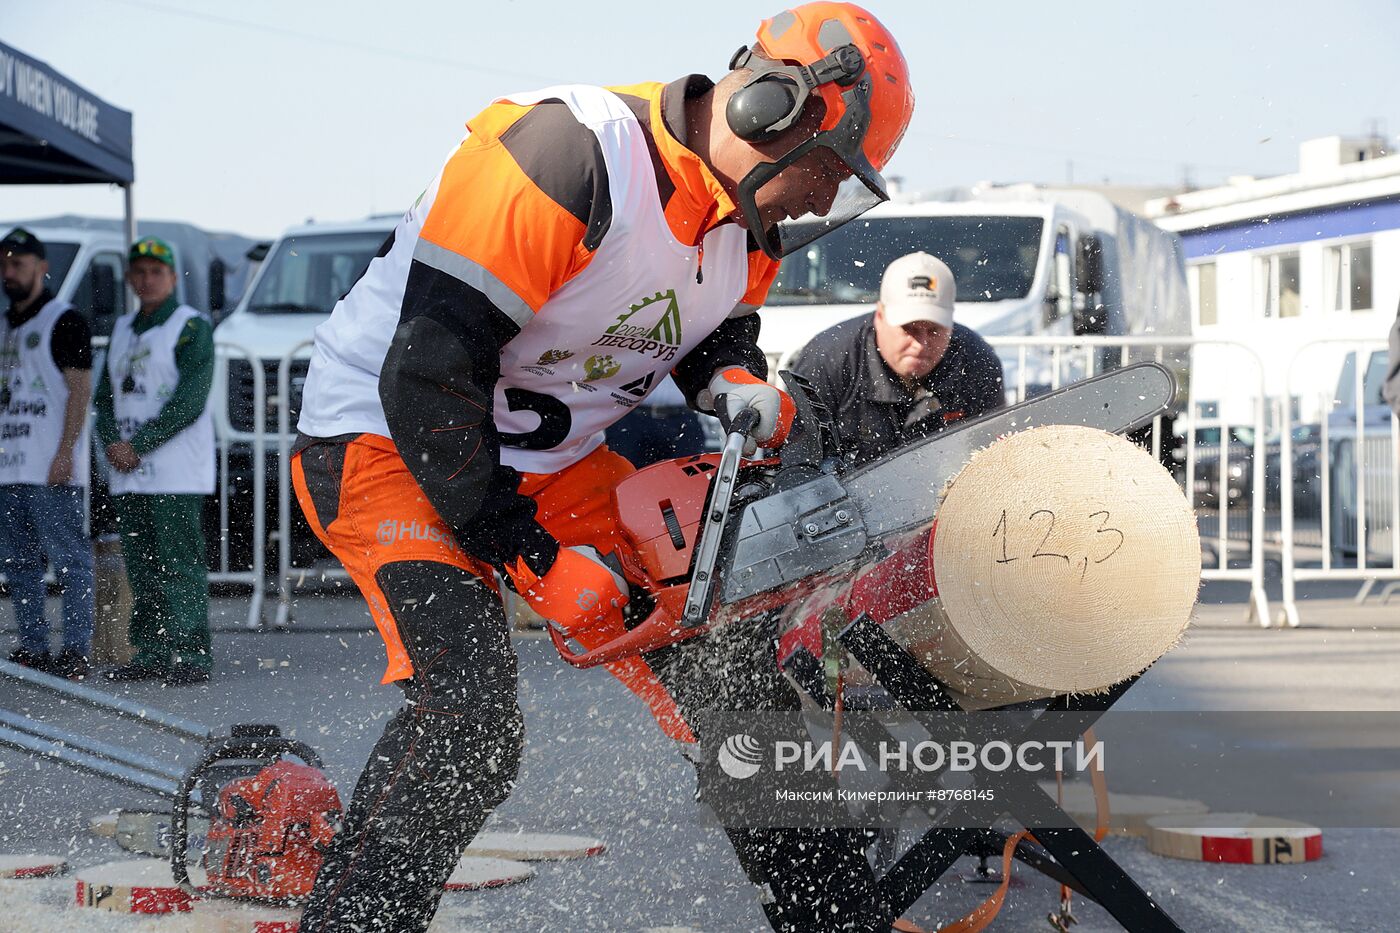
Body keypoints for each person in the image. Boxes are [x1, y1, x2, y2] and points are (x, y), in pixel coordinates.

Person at [289, 4, 914, 930]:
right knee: (470, 724)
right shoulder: (566, 152)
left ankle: (836, 918)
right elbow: (424, 368)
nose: (824, 201)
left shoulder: (750, 217)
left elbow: (717, 319)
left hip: (552, 455)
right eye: (827, 170)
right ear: (771, 108)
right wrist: (531, 553)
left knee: (733, 674)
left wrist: (733, 377)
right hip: (388, 440)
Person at [94, 236, 216, 686]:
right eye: (139, 272)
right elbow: (105, 398)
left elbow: (190, 400)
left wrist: (137, 444)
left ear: (171, 276)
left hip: (176, 468)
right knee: (142, 563)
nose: (147, 280)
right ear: (129, 278)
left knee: (178, 560)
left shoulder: (190, 326)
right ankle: (152, 649)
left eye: (156, 272)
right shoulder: (123, 328)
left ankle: (190, 653)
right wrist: (111, 441)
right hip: (129, 469)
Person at [791, 251, 1005, 467]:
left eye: (934, 330)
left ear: (950, 324)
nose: (921, 343)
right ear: (880, 316)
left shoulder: (977, 361)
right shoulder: (828, 360)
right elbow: (796, 466)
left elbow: (991, 461)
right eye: (909, 328)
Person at [0, 228, 96, 678]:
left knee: (70, 560)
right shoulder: (5, 324)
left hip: (49, 465)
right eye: (4, 262)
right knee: (18, 563)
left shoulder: (64, 319)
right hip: (10, 464)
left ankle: (75, 649)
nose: (10, 271)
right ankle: (34, 645)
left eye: (19, 262)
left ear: (42, 267)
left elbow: (79, 391)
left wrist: (66, 452)